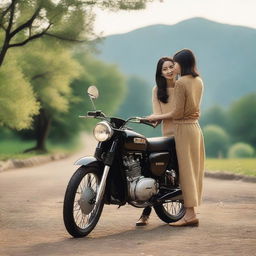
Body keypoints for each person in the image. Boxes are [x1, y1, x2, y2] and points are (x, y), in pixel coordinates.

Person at [146, 49, 205, 227]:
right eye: (167, 67)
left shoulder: (181, 84)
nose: (173, 68)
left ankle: (190, 215)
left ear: (182, 64)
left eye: (175, 64)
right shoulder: (198, 80)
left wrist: (156, 118)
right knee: (192, 172)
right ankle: (190, 213)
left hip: (181, 130)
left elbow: (178, 112)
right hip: (194, 127)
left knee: (184, 174)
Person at [136, 56, 176, 226]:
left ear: (176, 68)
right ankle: (146, 208)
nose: (168, 71)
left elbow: (182, 112)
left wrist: (157, 117)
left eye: (170, 67)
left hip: (184, 132)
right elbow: (158, 116)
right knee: (153, 168)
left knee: (180, 171)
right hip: (167, 134)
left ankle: (188, 208)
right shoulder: (157, 90)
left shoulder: (182, 86)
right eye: (164, 69)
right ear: (160, 73)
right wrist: (148, 119)